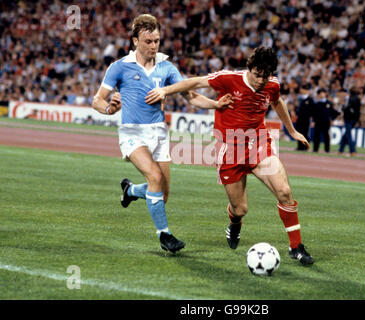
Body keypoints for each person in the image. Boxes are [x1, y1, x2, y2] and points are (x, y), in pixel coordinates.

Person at [146, 47, 314, 265]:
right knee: (240, 208)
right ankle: (235, 222)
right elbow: (195, 82)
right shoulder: (228, 78)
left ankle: (296, 247)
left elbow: (277, 101)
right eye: (257, 74)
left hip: (258, 143)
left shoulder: (272, 85)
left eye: (265, 75)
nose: (261, 80)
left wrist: (291, 130)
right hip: (230, 149)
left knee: (284, 191)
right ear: (250, 68)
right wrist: (165, 91)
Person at [92, 14, 232, 254]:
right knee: (155, 178)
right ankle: (165, 236)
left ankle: (131, 191)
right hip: (132, 133)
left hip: (159, 133)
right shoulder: (119, 67)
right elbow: (97, 100)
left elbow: (191, 96)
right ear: (135, 40)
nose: (153, 46)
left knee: (162, 194)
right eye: (148, 41)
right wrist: (108, 108)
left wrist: (215, 105)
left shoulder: (167, 67)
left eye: (156, 40)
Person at [312, 89, 339, 153]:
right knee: (316, 136)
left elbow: (333, 112)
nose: (322, 94)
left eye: (323, 93)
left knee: (326, 136)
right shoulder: (317, 104)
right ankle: (315, 149)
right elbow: (314, 113)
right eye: (320, 93)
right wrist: (313, 121)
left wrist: (332, 119)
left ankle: (327, 149)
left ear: (325, 94)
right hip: (318, 122)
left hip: (326, 122)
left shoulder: (329, 103)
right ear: (318, 95)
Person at [338, 88, 361, 156]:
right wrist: (357, 120)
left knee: (349, 135)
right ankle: (340, 150)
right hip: (354, 119)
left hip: (348, 118)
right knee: (346, 134)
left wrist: (343, 107)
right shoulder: (358, 99)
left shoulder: (350, 99)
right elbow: (358, 110)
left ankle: (352, 151)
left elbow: (347, 108)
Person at [295, 83, 314, 150]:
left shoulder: (310, 100)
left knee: (305, 133)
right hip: (299, 118)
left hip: (306, 119)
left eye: (305, 89)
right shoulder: (299, 98)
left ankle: (306, 147)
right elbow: (297, 109)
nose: (303, 90)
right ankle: (299, 146)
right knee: (299, 132)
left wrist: (312, 120)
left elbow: (312, 110)